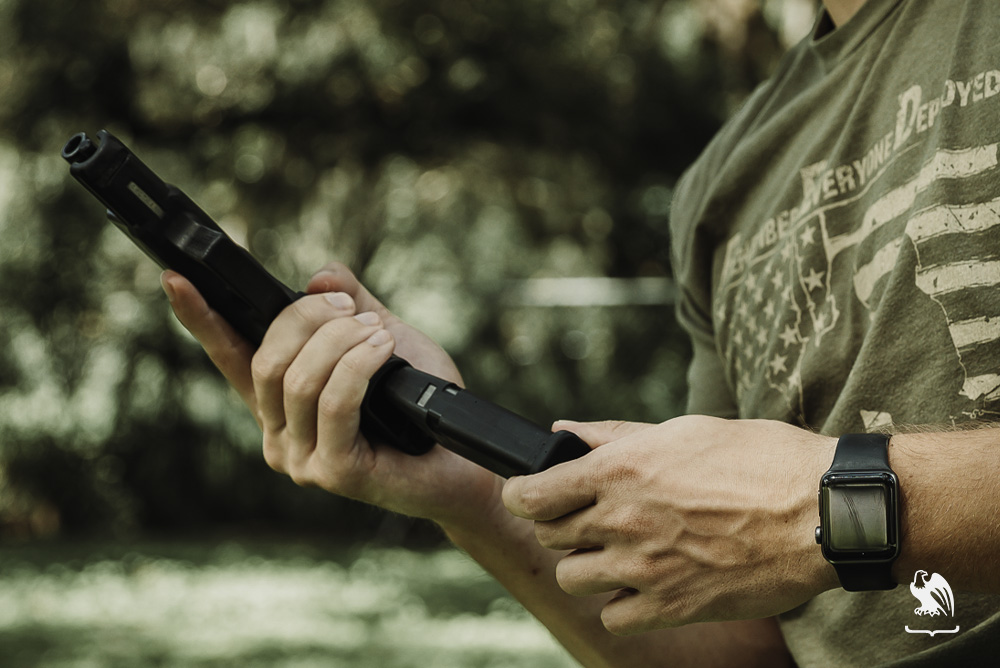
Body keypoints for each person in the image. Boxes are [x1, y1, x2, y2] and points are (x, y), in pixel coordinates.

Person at [159, 0, 1000, 665]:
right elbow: (757, 644)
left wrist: (829, 505)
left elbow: (799, 517)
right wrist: (473, 491)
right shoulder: (726, 181)